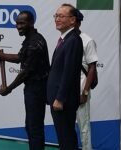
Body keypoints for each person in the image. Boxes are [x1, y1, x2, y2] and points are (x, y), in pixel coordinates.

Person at [0, 11, 50, 150]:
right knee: (31, 126)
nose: (18, 26)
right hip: (33, 88)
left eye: (22, 23)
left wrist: (9, 88)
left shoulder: (35, 43)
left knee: (34, 128)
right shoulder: (32, 39)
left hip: (37, 89)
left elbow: (25, 72)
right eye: (17, 23)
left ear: (31, 23)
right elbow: (19, 58)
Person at [46, 3, 83, 150]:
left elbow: (69, 72)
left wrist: (60, 98)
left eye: (61, 16)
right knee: (63, 137)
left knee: (67, 138)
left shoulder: (73, 40)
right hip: (57, 99)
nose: (57, 19)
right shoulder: (65, 39)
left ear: (72, 20)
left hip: (63, 101)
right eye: (56, 16)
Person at [74, 9, 98, 150]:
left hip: (81, 85)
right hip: (67, 87)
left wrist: (85, 92)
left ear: (76, 21)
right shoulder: (64, 39)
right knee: (66, 124)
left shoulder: (87, 40)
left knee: (83, 125)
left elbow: (92, 69)